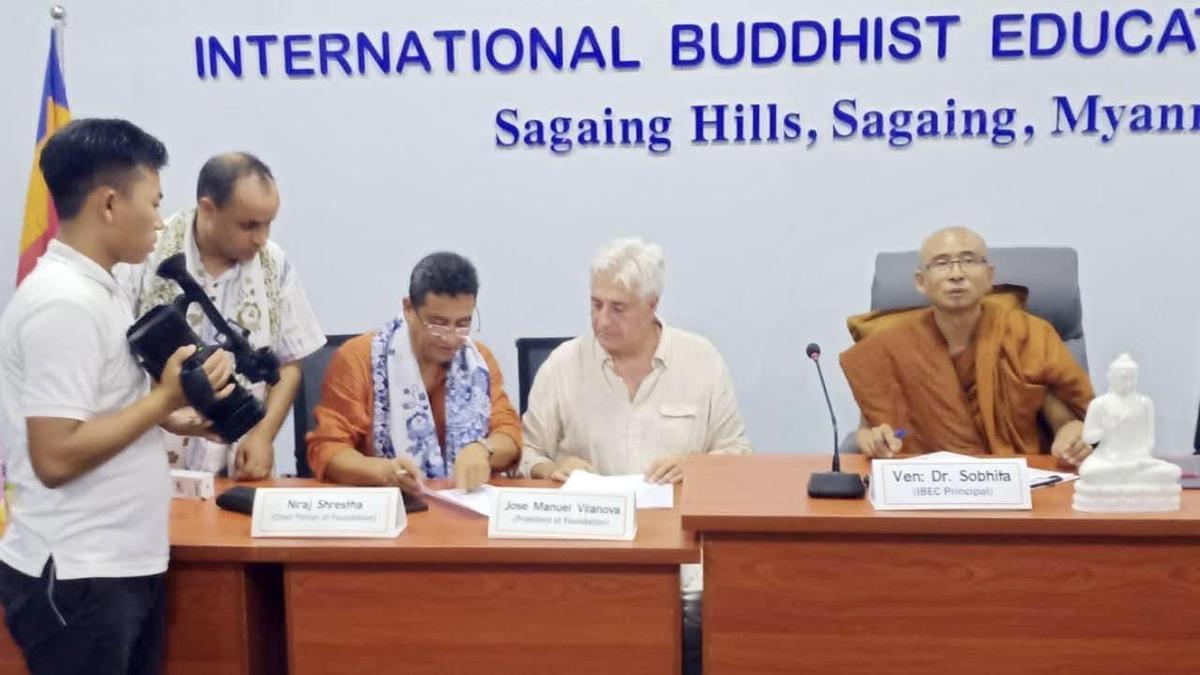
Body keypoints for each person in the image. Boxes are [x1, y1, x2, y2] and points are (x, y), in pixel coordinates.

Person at [0, 118, 231, 673]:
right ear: (108, 204)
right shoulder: (65, 303)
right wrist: (159, 400)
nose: (159, 220)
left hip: (113, 566)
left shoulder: (100, 289)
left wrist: (168, 414)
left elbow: (95, 410)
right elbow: (54, 456)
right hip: (79, 574)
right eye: (152, 203)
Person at [118, 152, 324, 479]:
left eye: (268, 224)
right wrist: (165, 412)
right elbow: (116, 362)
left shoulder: (275, 264)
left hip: (238, 464)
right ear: (208, 208)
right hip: (153, 458)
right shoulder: (144, 253)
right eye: (249, 225)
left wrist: (263, 435)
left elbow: (290, 362)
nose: (261, 238)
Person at [840, 226, 1094, 464]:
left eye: (969, 261)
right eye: (941, 263)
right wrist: (873, 441)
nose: (956, 274)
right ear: (920, 282)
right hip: (927, 489)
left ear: (989, 276)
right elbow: (866, 432)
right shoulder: (890, 344)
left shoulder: (1026, 335)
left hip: (1016, 486)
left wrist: (1071, 435)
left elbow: (1065, 424)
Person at [520, 237, 753, 484]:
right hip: (591, 517)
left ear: (651, 306)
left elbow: (738, 452)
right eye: (596, 305)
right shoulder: (562, 365)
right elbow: (527, 453)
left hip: (678, 517)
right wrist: (551, 468)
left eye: (618, 308)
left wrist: (695, 466)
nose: (603, 320)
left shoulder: (702, 360)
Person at [306, 252, 520, 491]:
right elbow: (329, 448)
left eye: (462, 324)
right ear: (408, 309)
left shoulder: (479, 362)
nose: (450, 338)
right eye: (438, 324)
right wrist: (381, 471)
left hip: (464, 508)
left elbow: (509, 434)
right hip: (386, 506)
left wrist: (483, 449)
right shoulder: (358, 358)